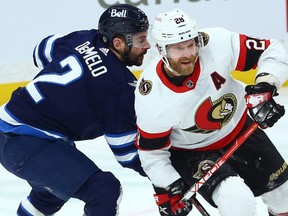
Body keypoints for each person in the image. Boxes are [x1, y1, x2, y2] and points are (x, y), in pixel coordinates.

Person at [134, 8, 288, 216]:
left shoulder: (216, 42)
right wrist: (168, 185)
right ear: (161, 50)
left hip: (241, 130)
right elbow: (152, 153)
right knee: (237, 201)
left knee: (285, 198)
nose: (188, 53)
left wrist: (265, 87)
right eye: (178, 48)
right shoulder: (152, 96)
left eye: (190, 44)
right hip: (193, 152)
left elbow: (272, 50)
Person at [0, 4, 150, 216]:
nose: (148, 45)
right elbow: (126, 154)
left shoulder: (84, 37)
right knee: (103, 190)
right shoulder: (117, 86)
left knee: (48, 196)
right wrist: (164, 172)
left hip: (12, 129)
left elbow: (40, 51)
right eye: (141, 40)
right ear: (118, 43)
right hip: (25, 141)